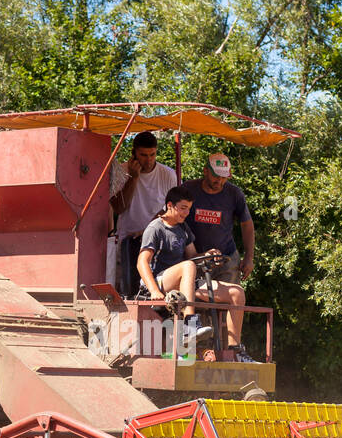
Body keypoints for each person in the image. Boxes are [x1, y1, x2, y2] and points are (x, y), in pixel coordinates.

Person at [137, 186, 252, 361]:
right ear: (170, 205)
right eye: (183, 208)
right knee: (188, 267)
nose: (186, 212)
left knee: (236, 292)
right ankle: (190, 325)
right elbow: (142, 262)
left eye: (189, 208)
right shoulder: (155, 228)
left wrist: (206, 256)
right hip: (158, 282)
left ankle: (235, 351)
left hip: (184, 281)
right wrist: (154, 291)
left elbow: (192, 257)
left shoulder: (183, 228)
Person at [182, 153, 255, 362]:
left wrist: (249, 258)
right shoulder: (190, 189)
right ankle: (203, 352)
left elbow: (247, 225)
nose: (219, 181)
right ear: (205, 171)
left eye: (224, 177)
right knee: (198, 302)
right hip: (196, 258)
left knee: (231, 304)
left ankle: (232, 353)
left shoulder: (234, 194)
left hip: (227, 258)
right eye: (216, 176)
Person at [109, 131, 177, 296]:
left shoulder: (167, 174)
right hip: (127, 240)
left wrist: (148, 230)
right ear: (134, 153)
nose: (148, 160)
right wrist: (133, 178)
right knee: (127, 288)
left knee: (158, 285)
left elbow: (172, 208)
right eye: (143, 155)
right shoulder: (121, 171)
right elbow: (118, 208)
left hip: (158, 241)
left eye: (152, 154)